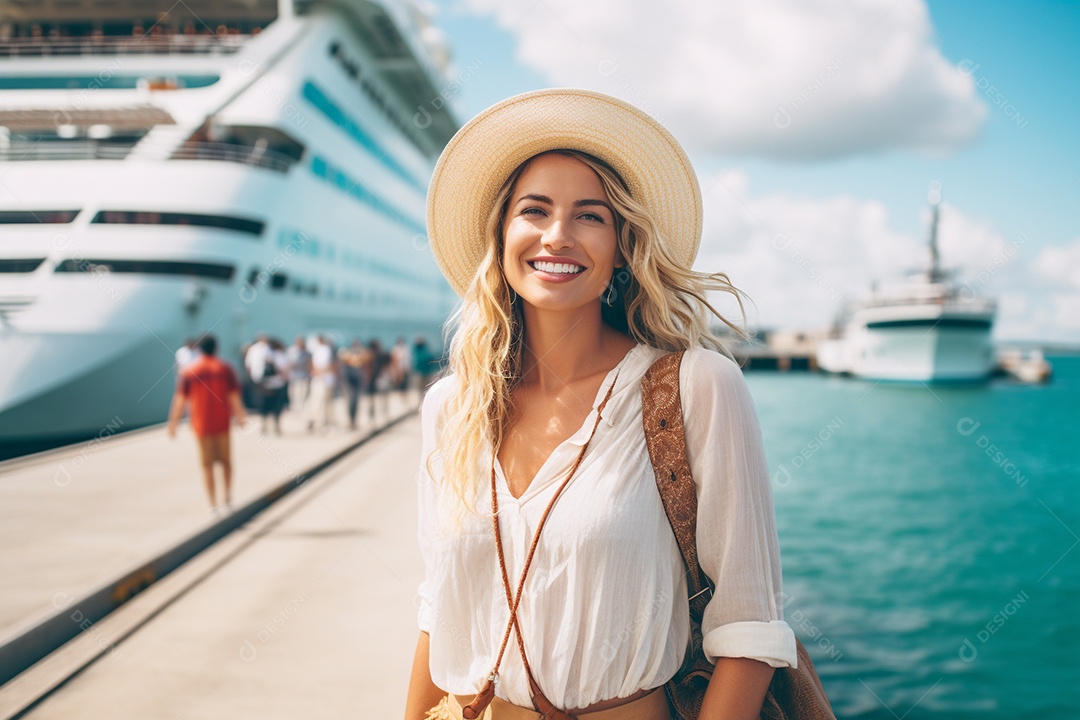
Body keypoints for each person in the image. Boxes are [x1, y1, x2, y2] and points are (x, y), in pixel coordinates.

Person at [406, 89, 797, 720]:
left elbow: (749, 627)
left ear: (622, 245)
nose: (557, 236)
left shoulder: (697, 387)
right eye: (534, 210)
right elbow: (438, 610)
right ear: (502, 234)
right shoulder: (453, 406)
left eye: (590, 216)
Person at [166, 334, 247, 516]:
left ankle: (212, 504)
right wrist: (241, 417)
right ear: (216, 348)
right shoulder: (225, 369)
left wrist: (173, 424)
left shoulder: (189, 371)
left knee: (206, 466)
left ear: (199, 349)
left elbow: (180, 400)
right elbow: (234, 397)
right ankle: (227, 498)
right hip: (222, 424)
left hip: (201, 426)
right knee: (226, 463)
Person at [285, 335, 312, 420]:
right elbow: (289, 363)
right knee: (294, 393)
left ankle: (302, 409)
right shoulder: (292, 351)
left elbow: (309, 364)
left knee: (303, 393)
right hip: (294, 376)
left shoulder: (307, 352)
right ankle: (295, 409)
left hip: (304, 376)